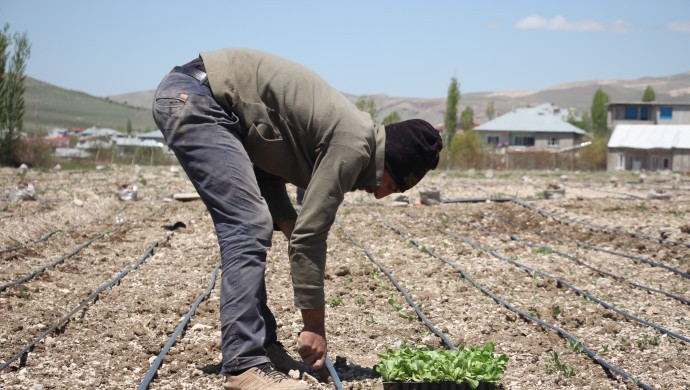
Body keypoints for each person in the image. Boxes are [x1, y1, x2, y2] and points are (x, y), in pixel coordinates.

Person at [152, 48, 442, 389]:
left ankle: (262, 348)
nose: (379, 195)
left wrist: (287, 219)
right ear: (388, 162)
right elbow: (311, 236)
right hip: (200, 99)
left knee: (253, 222)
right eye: (390, 186)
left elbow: (262, 156)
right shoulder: (354, 143)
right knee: (248, 226)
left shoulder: (349, 136)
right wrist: (314, 327)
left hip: (204, 100)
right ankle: (244, 365)